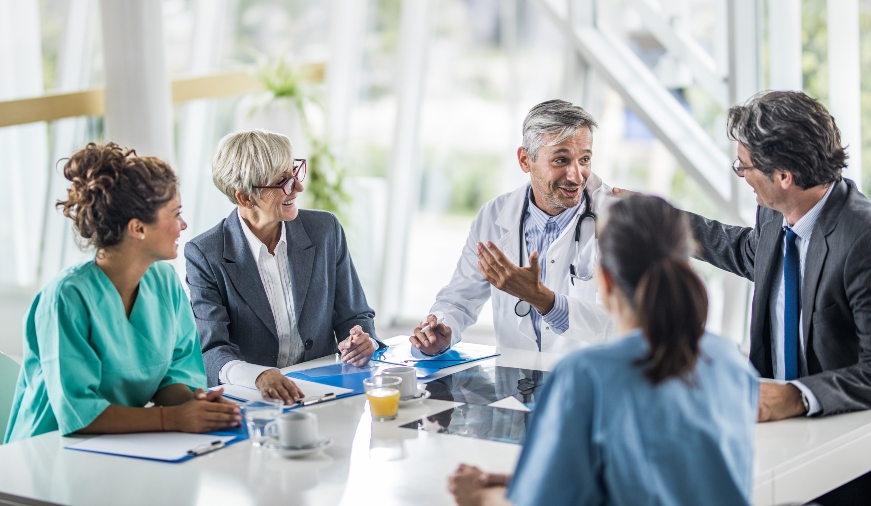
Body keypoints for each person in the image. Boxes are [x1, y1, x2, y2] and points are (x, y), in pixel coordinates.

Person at [448, 195, 758, 506]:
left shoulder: (586, 376)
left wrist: (481, 497)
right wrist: (531, 480)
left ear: (605, 281)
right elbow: (667, 479)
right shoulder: (731, 362)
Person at [5, 143, 241, 443]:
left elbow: (174, 377)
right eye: (175, 213)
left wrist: (193, 404)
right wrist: (174, 418)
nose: (184, 224)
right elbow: (78, 413)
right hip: (44, 452)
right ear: (138, 228)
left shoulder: (165, 282)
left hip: (118, 444)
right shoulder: (66, 297)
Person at [684, 91, 871, 423]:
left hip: (840, 442)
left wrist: (798, 395)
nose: (741, 174)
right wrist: (663, 221)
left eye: (744, 166)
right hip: (773, 429)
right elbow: (748, 252)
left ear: (784, 177)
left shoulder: (862, 238)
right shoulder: (775, 211)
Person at [185, 129, 382, 405]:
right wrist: (260, 376)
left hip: (326, 390)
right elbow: (212, 350)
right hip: (254, 399)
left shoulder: (325, 230)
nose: (299, 188)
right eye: (283, 182)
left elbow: (355, 314)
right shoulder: (205, 254)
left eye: (295, 173)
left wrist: (363, 340)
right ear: (245, 198)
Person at [411, 100, 617, 356]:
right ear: (524, 160)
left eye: (585, 159)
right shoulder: (494, 215)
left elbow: (625, 324)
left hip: (590, 384)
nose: (576, 175)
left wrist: (545, 301)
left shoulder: (618, 218)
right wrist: (443, 328)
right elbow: (459, 299)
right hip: (515, 381)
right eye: (561, 160)